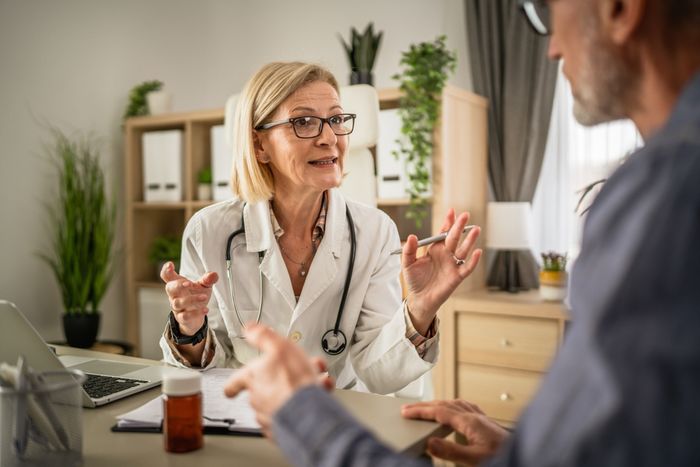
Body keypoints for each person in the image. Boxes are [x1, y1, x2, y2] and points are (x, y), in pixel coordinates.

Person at [224, 0, 700, 465]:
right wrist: (518, 450)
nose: (552, 49)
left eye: (548, 12)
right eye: (304, 123)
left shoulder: (669, 189)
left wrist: (303, 414)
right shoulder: (667, 179)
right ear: (259, 145)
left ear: (621, 7)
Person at [158, 61, 482, 396]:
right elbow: (210, 371)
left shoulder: (375, 232)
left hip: (335, 416)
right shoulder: (209, 232)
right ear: (259, 145)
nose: (329, 138)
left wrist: (420, 308)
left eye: (337, 120)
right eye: (304, 122)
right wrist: (190, 329)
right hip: (248, 416)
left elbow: (380, 375)